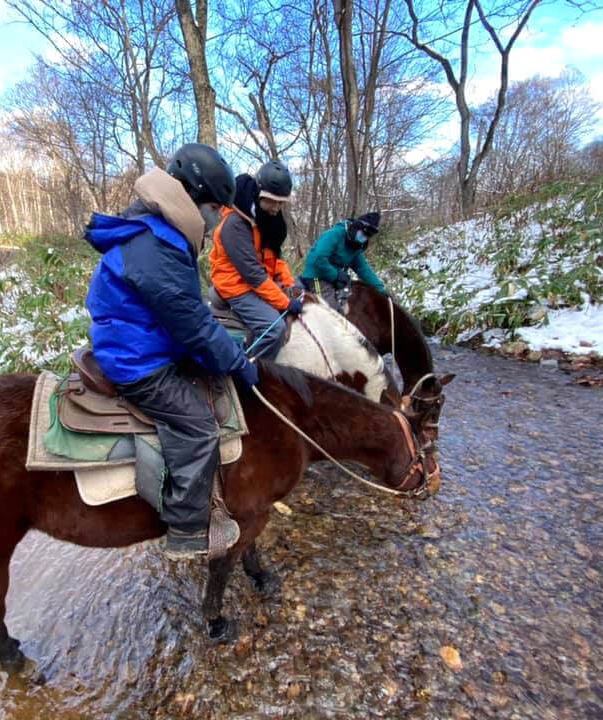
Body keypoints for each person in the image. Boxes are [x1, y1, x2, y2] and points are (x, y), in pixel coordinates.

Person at [84, 143, 258, 561]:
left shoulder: (158, 230)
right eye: (215, 207)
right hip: (137, 360)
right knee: (198, 425)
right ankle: (186, 528)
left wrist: (222, 345)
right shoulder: (159, 244)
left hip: (143, 339)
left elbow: (187, 312)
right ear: (196, 197)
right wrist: (237, 362)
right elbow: (192, 324)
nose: (216, 217)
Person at [208, 160, 304, 359]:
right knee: (274, 330)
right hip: (236, 286)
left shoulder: (265, 216)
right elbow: (253, 275)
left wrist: (289, 284)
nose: (277, 208)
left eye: (281, 202)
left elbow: (274, 257)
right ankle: (249, 372)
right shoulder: (235, 224)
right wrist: (285, 303)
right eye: (272, 201)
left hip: (258, 281)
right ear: (259, 193)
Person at [300, 212, 386, 312]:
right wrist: (336, 275)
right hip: (316, 277)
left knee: (352, 306)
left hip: (334, 280)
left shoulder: (356, 246)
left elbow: (363, 269)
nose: (364, 238)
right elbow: (319, 258)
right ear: (356, 228)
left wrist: (380, 289)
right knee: (331, 311)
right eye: (363, 234)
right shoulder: (334, 234)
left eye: (367, 236)